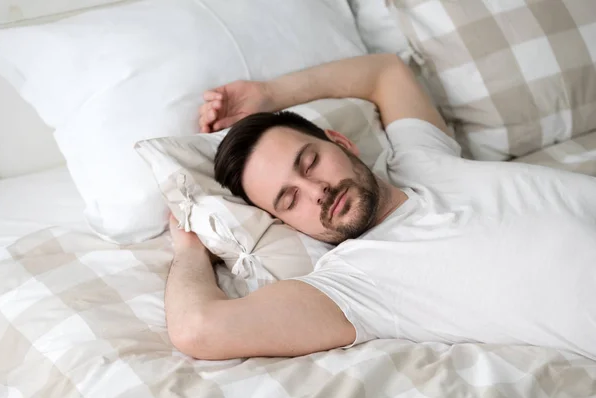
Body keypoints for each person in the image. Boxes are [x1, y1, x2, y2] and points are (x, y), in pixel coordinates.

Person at [166, 54, 596, 361]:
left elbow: (385, 71)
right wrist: (188, 250)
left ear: (342, 142)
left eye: (310, 162)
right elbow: (198, 328)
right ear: (286, 222)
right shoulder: (354, 286)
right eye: (290, 198)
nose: (316, 191)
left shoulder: (420, 159)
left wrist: (269, 92)